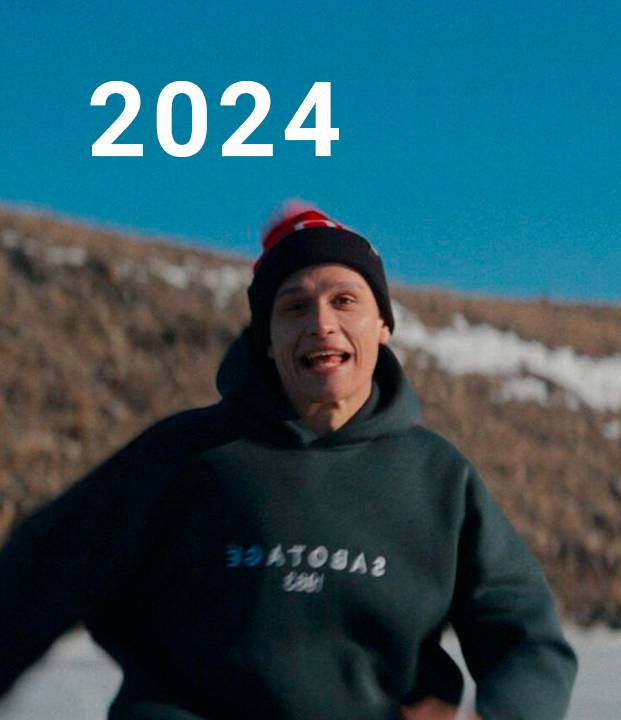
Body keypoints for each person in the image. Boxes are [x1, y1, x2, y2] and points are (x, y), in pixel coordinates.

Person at [0, 203, 577, 720]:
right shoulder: (184, 454)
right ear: (268, 341)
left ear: (382, 326)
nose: (320, 323)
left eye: (344, 301)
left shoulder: (438, 477)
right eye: (295, 306)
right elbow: (36, 574)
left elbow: (527, 635)